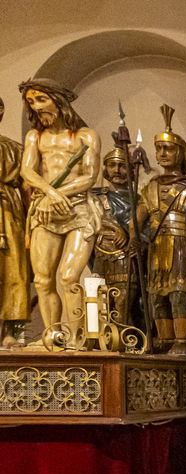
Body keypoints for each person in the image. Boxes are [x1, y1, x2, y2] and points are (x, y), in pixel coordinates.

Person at [18, 78, 101, 340]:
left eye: (41, 99)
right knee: (43, 280)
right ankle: (54, 337)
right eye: (31, 102)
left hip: (78, 210)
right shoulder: (35, 137)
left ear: (58, 100)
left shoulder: (86, 136)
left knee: (68, 277)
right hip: (45, 211)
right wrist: (50, 194)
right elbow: (27, 171)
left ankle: (75, 338)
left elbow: (89, 177)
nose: (37, 106)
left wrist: (57, 194)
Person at [137, 104, 186, 354]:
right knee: (157, 297)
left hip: (180, 247)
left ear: (179, 152)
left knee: (179, 294)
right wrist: (131, 235)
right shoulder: (150, 189)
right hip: (157, 249)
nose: (162, 153)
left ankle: (181, 341)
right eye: (159, 148)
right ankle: (165, 341)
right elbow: (137, 221)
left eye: (168, 148)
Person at [91, 148, 139, 326]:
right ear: (105, 168)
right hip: (102, 255)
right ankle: (103, 342)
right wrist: (115, 228)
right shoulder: (95, 196)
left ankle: (124, 342)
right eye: (112, 165)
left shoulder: (139, 200)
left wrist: (132, 236)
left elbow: (146, 228)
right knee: (99, 305)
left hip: (126, 259)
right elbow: (90, 218)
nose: (117, 170)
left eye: (122, 166)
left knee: (123, 306)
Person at [0, 94, 29, 348]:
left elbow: (28, 188)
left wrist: (33, 227)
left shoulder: (13, 149)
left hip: (9, 213)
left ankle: (9, 331)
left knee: (13, 270)